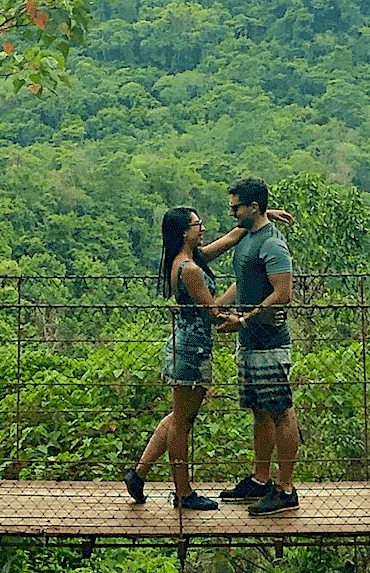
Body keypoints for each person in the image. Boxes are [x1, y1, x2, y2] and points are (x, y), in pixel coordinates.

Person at [124, 206, 243, 509]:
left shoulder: (188, 260)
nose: (201, 228)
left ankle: (139, 474)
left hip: (187, 345)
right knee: (183, 422)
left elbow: (230, 238)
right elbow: (213, 314)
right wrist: (240, 297)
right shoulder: (189, 269)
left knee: (179, 416)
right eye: (196, 224)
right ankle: (183, 491)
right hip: (192, 350)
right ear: (184, 232)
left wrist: (265, 214)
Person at [213, 176, 300, 515]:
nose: (231, 212)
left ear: (253, 207)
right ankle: (260, 480)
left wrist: (244, 319)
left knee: (280, 410)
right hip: (248, 341)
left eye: (236, 207)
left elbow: (283, 294)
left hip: (269, 343)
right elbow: (245, 281)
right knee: (260, 410)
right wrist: (217, 307)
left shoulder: (273, 244)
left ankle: (285, 488)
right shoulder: (249, 237)